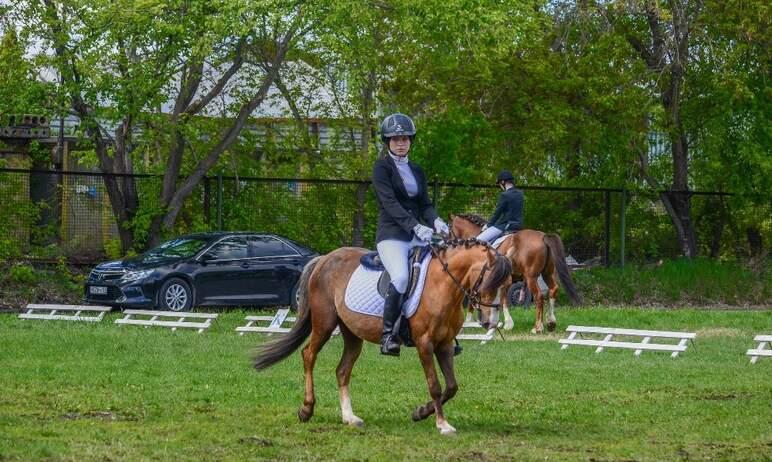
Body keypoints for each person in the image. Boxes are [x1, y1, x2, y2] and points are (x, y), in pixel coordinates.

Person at [372, 113, 449, 356]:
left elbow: (424, 203)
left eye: (404, 138)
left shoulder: (417, 170)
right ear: (388, 142)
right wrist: (415, 226)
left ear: (410, 141)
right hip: (392, 235)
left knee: (440, 272)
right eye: (395, 139)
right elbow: (390, 204)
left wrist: (436, 219)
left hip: (419, 234)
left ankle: (441, 331)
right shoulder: (381, 168)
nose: (400, 143)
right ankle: (388, 335)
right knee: (402, 278)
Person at [476, 170, 524, 243]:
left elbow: (497, 213)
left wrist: (488, 225)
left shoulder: (504, 195)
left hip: (506, 226)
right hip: (518, 226)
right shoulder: (520, 194)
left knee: (478, 240)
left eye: (499, 184)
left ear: (502, 182)